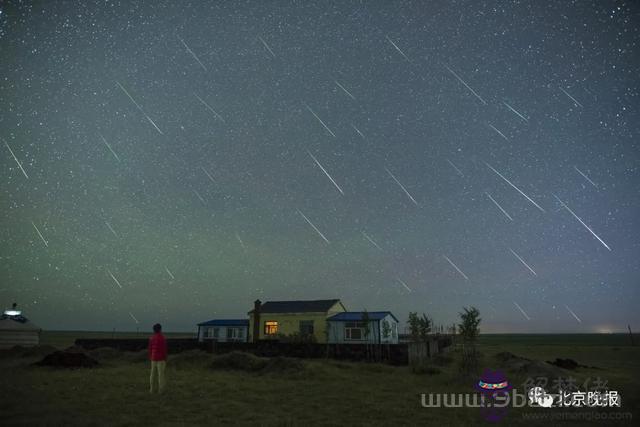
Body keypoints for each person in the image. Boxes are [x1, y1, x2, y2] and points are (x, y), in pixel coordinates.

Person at [148, 323, 168, 394]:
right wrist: (165, 358)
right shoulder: (162, 338)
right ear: (160, 329)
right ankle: (161, 390)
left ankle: (151, 389)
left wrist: (151, 356)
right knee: (161, 375)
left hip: (153, 358)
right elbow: (164, 349)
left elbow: (150, 349)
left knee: (152, 374)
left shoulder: (151, 338)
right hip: (161, 359)